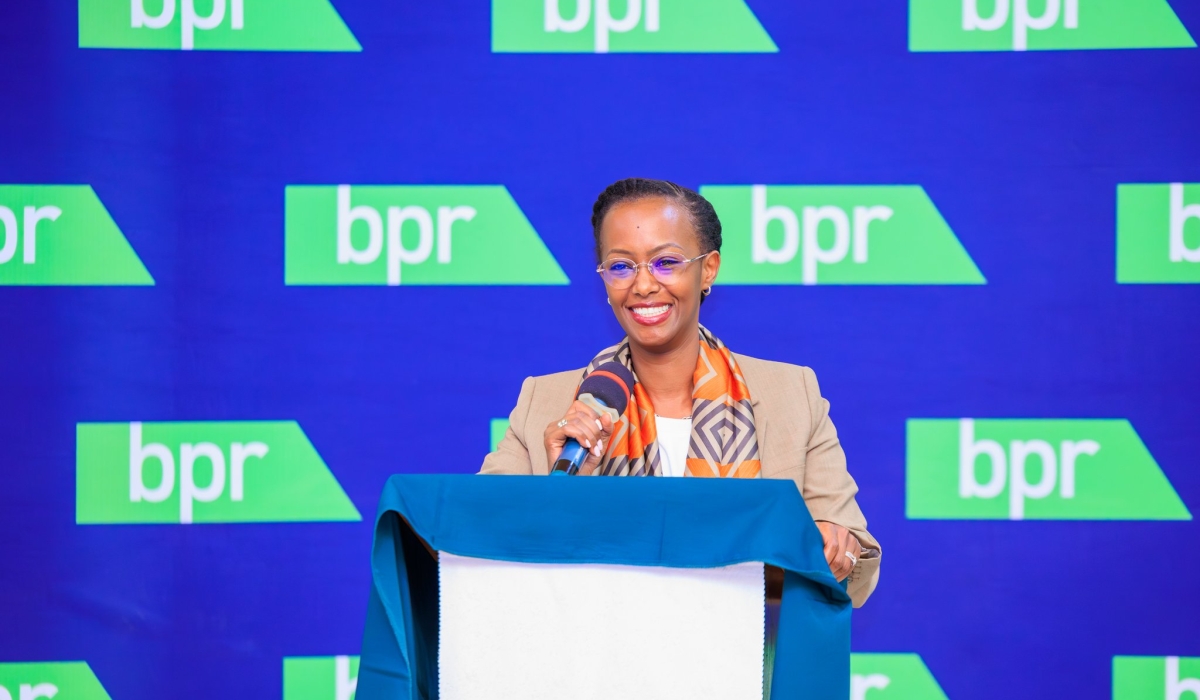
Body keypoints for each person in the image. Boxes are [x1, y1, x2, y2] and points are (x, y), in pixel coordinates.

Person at [480, 177, 880, 606]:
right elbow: (480, 544)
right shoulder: (546, 400)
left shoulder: (791, 394)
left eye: (666, 262)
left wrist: (838, 549)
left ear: (708, 268)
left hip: (740, 659)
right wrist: (561, 484)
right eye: (621, 266)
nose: (644, 285)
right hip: (590, 659)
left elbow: (858, 568)